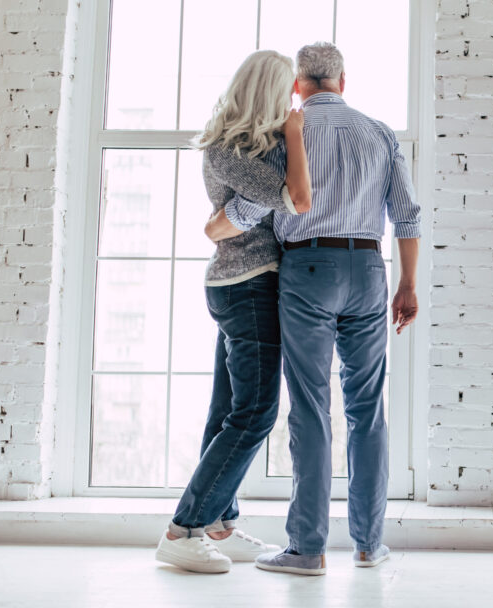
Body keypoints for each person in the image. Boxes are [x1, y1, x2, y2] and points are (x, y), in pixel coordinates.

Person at [208, 41, 420, 576]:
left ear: (298, 85)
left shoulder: (288, 133)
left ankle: (307, 549)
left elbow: (260, 203)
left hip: (305, 269)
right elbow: (407, 216)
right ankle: (369, 545)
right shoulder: (379, 134)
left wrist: (218, 225)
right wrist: (408, 285)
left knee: (309, 406)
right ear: (343, 82)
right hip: (369, 269)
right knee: (367, 408)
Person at [154, 49, 312, 574]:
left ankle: (218, 523)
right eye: (288, 90)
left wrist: (231, 217)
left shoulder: (257, 148)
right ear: (270, 91)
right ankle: (182, 530)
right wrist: (294, 138)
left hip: (247, 283)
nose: (294, 101)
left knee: (226, 411)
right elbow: (293, 197)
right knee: (256, 411)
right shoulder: (226, 148)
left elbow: (245, 212)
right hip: (245, 286)